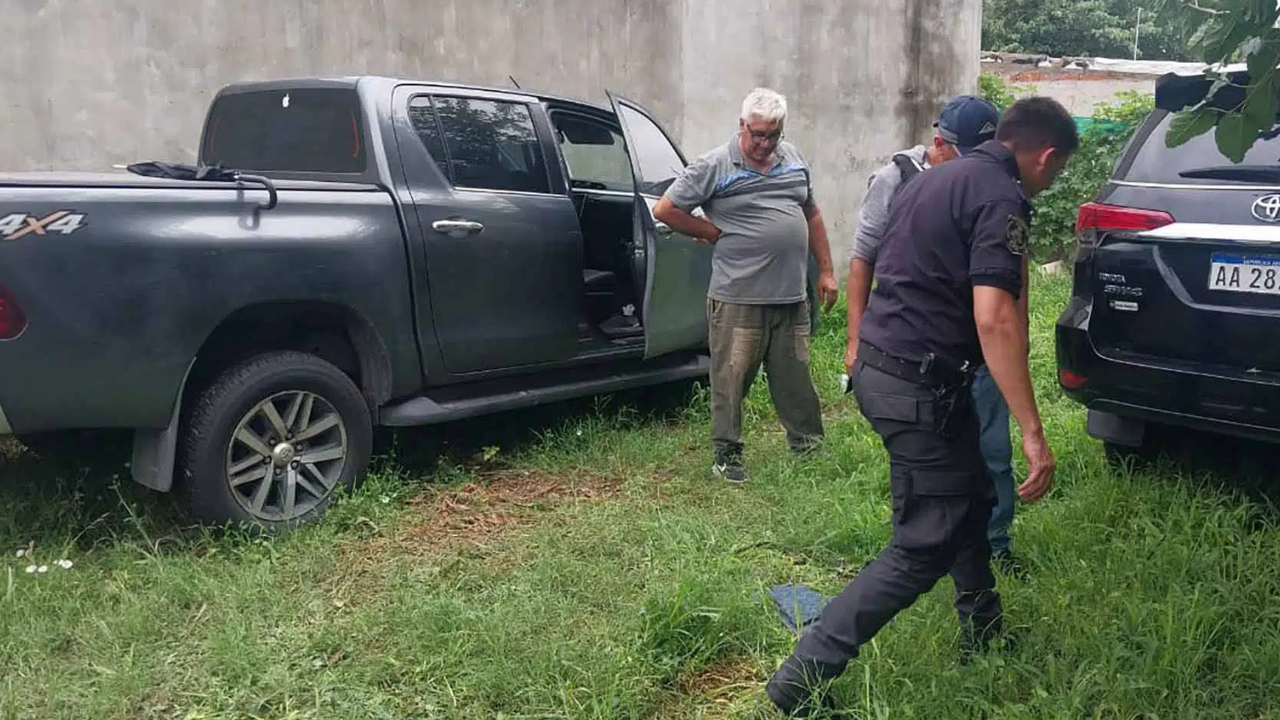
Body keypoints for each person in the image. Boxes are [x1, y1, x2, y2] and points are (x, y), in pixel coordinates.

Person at [765, 96, 1077, 716]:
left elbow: (883, 264)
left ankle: (983, 632)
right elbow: (995, 319)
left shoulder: (935, 178)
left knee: (970, 499)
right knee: (924, 542)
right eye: (1059, 169)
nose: (1052, 180)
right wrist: (1033, 431)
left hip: (888, 372)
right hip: (918, 386)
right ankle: (801, 676)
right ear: (1045, 156)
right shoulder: (1001, 195)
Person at [844, 95, 1028, 577]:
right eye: (961, 151)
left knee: (991, 452)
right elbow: (862, 260)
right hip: (919, 354)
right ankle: (914, 547)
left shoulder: (996, 187)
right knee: (922, 459)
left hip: (977, 351)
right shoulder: (899, 180)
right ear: (941, 142)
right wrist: (853, 338)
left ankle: (994, 545)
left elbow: (1010, 282)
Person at [653, 87, 839, 484]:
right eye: (757, 134)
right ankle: (727, 455)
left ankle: (808, 448)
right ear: (742, 126)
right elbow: (666, 209)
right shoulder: (716, 165)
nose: (764, 143)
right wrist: (708, 231)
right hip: (739, 298)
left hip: (791, 298)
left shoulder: (793, 160)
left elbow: (813, 214)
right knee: (731, 379)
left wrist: (826, 270)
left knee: (797, 379)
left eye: (773, 135)